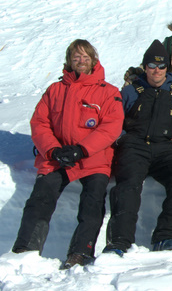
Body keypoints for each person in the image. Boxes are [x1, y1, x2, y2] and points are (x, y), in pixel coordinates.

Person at [13, 40, 124, 269]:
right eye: (76, 58)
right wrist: (52, 150)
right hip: (57, 156)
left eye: (85, 57)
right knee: (41, 198)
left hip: (93, 159)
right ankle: (26, 249)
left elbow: (111, 128)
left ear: (93, 60)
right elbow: (40, 122)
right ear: (69, 61)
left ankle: (80, 253)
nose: (81, 62)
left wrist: (82, 149)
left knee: (92, 201)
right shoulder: (55, 90)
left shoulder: (108, 92)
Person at [104, 40, 172, 254]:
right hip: (135, 146)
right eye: (152, 66)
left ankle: (167, 235)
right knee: (128, 185)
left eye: (161, 66)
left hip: (165, 147)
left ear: (167, 68)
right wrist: (123, 139)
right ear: (145, 67)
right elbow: (116, 120)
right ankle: (119, 241)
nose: (157, 71)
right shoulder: (130, 92)